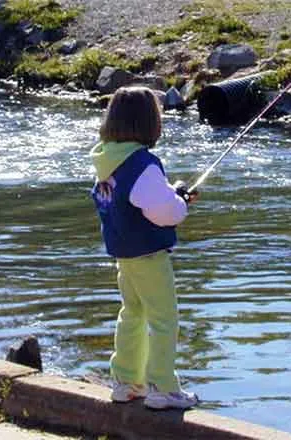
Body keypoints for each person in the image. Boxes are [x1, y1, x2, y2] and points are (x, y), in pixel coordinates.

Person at [90, 86, 199, 410]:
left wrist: (172, 193)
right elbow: (165, 212)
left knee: (133, 314)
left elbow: (133, 198)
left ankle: (126, 383)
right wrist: (181, 204)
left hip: (124, 255)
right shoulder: (143, 163)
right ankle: (163, 388)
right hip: (149, 257)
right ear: (149, 123)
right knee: (164, 319)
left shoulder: (107, 160)